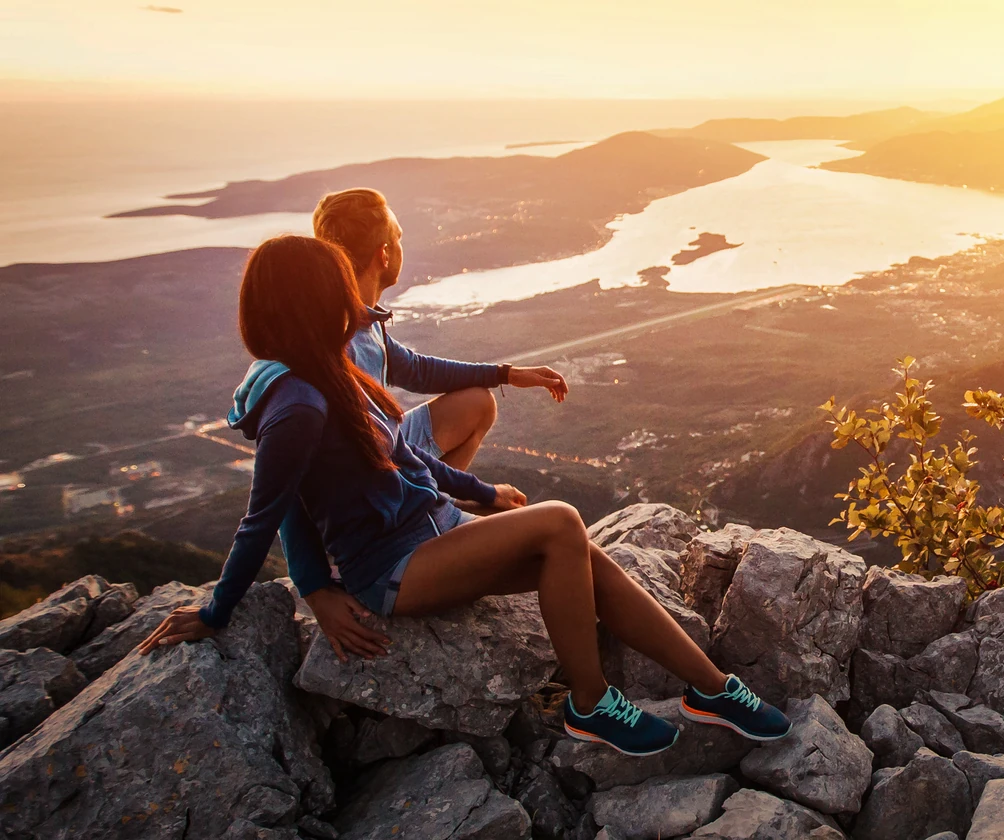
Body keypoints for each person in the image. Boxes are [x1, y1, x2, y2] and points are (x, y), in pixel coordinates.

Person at [137, 236, 789, 755]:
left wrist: (479, 492)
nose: (357, 306)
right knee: (562, 522)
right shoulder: (294, 405)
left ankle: (713, 689)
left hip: (433, 530)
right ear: (312, 305)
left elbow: (403, 455)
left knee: (581, 556)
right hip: (390, 570)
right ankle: (589, 706)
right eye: (341, 294)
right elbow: (269, 516)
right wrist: (232, 609)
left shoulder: (328, 369)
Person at [290, 187, 561, 665]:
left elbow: (414, 369)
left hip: (379, 449)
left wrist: (504, 375)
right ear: (385, 252)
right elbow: (290, 477)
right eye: (399, 235)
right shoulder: (330, 341)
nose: (402, 243)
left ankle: (433, 504)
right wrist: (313, 588)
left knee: (478, 404)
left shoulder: (365, 319)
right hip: (358, 483)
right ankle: (428, 517)